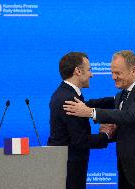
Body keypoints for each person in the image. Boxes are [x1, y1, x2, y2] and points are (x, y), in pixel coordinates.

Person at [63, 50, 135, 189]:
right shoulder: (123, 94)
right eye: (112, 72)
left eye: (118, 73)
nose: (113, 77)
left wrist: (90, 112)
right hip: (126, 171)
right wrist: (76, 102)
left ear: (133, 70)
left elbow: (129, 116)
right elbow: (106, 102)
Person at [47, 52, 116, 189]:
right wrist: (106, 135)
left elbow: (86, 105)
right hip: (70, 170)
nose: (92, 74)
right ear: (78, 71)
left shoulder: (65, 93)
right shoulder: (68, 100)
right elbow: (80, 140)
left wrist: (116, 100)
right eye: (89, 70)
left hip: (64, 165)